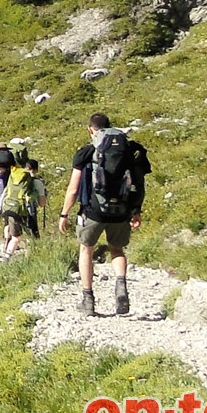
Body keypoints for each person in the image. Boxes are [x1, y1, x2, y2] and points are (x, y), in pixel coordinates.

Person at [59, 112, 152, 316]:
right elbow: (139, 181)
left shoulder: (86, 152)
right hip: (122, 212)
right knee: (117, 250)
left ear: (91, 130)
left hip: (93, 211)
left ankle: (88, 299)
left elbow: (73, 189)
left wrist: (64, 213)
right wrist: (136, 210)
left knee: (86, 250)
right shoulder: (130, 150)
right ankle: (121, 287)